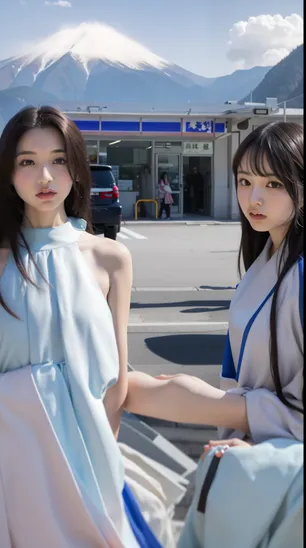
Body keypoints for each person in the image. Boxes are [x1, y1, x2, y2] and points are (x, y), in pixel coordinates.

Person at [0, 106, 162, 547]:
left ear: (77, 169)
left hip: (93, 467)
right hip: (15, 472)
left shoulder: (111, 259)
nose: (45, 176)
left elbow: (115, 378)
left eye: (59, 160)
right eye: (27, 162)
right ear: (7, 173)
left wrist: (98, 457)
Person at [124, 122, 304, 547]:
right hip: (250, 464)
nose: (252, 198)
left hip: (275, 473)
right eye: (244, 181)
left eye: (273, 183)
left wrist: (225, 412)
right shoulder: (265, 263)